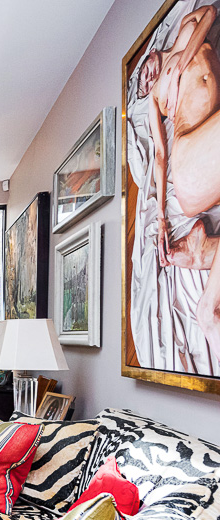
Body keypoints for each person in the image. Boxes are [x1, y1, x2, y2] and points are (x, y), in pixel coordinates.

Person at [139, 4, 220, 352]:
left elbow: (210, 14)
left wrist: (181, 63)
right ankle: (206, 308)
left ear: (150, 56)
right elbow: (160, 154)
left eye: (144, 74)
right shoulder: (155, 98)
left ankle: (207, 252)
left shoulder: (186, 27)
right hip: (189, 159)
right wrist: (160, 218)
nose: (147, 80)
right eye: (144, 85)